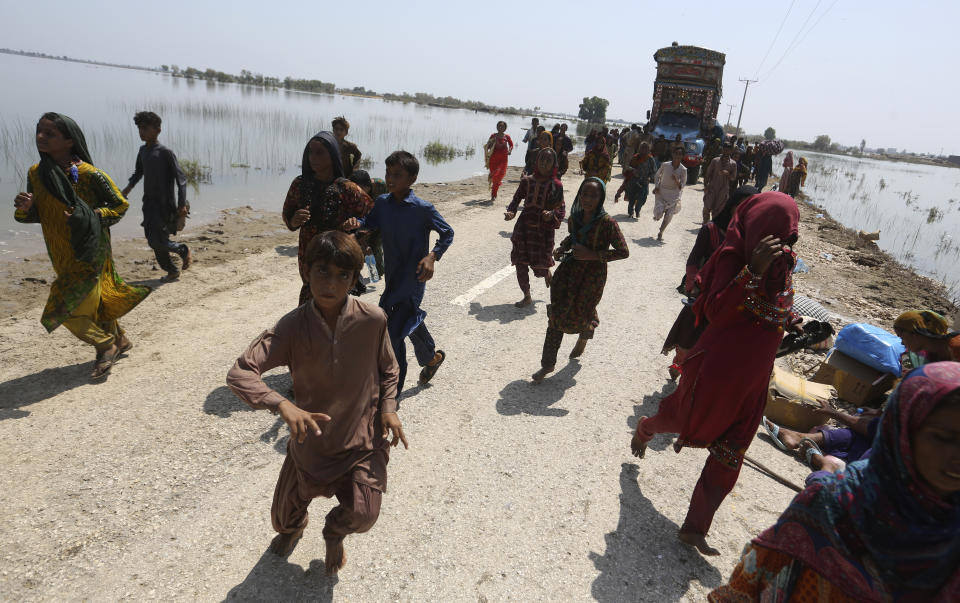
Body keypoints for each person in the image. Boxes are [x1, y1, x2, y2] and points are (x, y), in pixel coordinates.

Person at [226, 231, 407, 577]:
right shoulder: (292, 326)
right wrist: (281, 404)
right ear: (306, 271)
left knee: (364, 515)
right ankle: (295, 529)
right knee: (282, 521)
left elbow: (389, 367)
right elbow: (240, 372)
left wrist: (389, 408)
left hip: (360, 443)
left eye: (343, 275)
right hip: (312, 443)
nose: (331, 283)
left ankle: (333, 533)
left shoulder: (373, 320)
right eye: (322, 271)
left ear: (355, 279)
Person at [631, 192, 801, 556]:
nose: (785, 245)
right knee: (680, 418)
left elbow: (777, 304)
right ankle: (646, 427)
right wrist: (750, 272)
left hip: (754, 380)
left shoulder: (783, 263)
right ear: (758, 228)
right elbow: (715, 311)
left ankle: (695, 528)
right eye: (779, 235)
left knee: (731, 452)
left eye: (790, 237)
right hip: (717, 369)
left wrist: (793, 320)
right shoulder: (732, 258)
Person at [710, 362, 960, 602]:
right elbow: (752, 587)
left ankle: (820, 459)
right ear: (902, 430)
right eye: (942, 437)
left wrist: (834, 413)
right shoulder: (831, 504)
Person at [13, 112, 150, 379]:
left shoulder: (89, 175)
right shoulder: (36, 173)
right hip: (60, 252)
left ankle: (104, 344)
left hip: (90, 251)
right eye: (39, 131)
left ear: (69, 141)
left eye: (49, 133)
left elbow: (120, 205)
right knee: (95, 303)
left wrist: (92, 215)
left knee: (63, 310)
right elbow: (39, 215)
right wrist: (26, 208)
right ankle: (119, 340)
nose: (40, 137)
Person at [345, 151, 453, 395]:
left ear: (412, 179)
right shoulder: (382, 203)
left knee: (392, 334)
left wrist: (432, 256)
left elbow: (447, 233)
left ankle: (392, 393)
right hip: (393, 279)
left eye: (397, 174)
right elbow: (369, 222)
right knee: (405, 321)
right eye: (387, 173)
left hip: (414, 279)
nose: (390, 178)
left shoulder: (423, 209)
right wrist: (357, 224)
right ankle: (431, 358)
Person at [532, 178, 629, 383]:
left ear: (601, 197)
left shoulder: (608, 223)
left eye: (593, 195)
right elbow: (572, 238)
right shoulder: (575, 217)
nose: (587, 199)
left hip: (592, 278)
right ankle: (547, 364)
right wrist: (562, 248)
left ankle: (585, 335)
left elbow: (623, 252)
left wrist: (593, 255)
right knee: (557, 315)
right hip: (568, 273)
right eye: (584, 194)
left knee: (582, 312)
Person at [661, 186, 759, 379]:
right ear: (732, 206)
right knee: (690, 333)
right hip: (703, 292)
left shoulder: (753, 238)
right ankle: (680, 364)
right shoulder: (711, 230)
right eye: (741, 205)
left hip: (730, 297)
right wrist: (693, 284)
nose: (745, 210)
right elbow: (693, 260)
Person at [282, 132, 373, 305]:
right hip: (308, 253)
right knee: (310, 294)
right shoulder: (299, 184)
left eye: (320, 152)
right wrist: (294, 220)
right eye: (310, 152)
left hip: (336, 254)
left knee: (332, 297)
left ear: (332, 155)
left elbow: (373, 216)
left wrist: (355, 234)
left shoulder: (346, 188)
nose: (313, 157)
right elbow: (287, 215)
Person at [121, 111, 191, 282]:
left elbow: (181, 180)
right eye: (139, 128)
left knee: (156, 240)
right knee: (154, 239)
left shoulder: (165, 152)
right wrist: (127, 189)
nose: (141, 132)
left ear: (158, 130)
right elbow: (138, 172)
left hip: (164, 204)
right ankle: (172, 271)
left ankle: (182, 250)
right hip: (149, 202)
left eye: (145, 128)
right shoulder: (143, 151)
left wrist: (182, 205)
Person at [504, 148, 566, 307]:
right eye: (542, 159)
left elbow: (561, 209)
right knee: (520, 262)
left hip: (542, 232)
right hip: (524, 228)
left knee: (539, 267)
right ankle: (527, 295)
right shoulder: (527, 180)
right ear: (537, 161)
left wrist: (552, 214)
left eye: (548, 160)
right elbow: (516, 199)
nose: (544, 163)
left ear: (554, 164)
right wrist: (511, 212)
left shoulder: (556, 185)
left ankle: (546, 273)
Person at [347, 170, 388, 278]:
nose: (358, 192)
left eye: (361, 189)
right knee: (362, 246)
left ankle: (377, 273)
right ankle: (356, 275)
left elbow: (393, 200)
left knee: (375, 244)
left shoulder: (380, 185)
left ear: (368, 185)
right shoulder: (351, 193)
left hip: (381, 218)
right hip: (363, 221)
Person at [896, 310, 960, 370]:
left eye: (902, 337)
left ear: (916, 335)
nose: (902, 343)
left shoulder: (956, 348)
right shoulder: (923, 350)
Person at [651, 145, 687, 241]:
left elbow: (682, 186)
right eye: (676, 153)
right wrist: (657, 186)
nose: (677, 156)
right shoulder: (665, 165)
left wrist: (676, 180)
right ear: (672, 154)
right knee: (658, 213)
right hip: (662, 191)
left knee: (669, 215)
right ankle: (658, 216)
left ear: (682, 156)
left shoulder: (683, 170)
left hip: (674, 195)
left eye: (680, 154)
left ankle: (661, 231)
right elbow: (657, 175)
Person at [614, 142, 658, 219]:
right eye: (642, 148)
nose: (643, 150)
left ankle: (638, 210)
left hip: (644, 182)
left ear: (648, 150)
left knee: (642, 198)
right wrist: (633, 170)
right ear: (639, 149)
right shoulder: (635, 157)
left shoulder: (650, 159)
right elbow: (627, 167)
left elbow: (654, 171)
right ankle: (630, 212)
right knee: (632, 198)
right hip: (633, 181)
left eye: (645, 148)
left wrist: (649, 177)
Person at [702, 142, 738, 224]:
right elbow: (707, 174)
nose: (726, 152)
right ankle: (704, 224)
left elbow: (733, 178)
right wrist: (705, 186)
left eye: (728, 150)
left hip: (723, 190)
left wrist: (728, 174)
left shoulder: (733, 164)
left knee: (718, 210)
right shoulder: (715, 160)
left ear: (731, 151)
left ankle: (712, 226)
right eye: (725, 150)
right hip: (712, 188)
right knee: (706, 208)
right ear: (722, 150)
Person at [484, 121, 513, 203]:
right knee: (494, 176)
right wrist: (490, 144)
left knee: (499, 177)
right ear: (497, 127)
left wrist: (510, 150)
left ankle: (494, 194)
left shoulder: (507, 137)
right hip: (493, 160)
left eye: (502, 126)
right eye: (499, 126)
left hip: (503, 160)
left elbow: (511, 145)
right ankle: (494, 193)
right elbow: (488, 146)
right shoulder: (493, 136)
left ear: (505, 128)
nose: (500, 128)